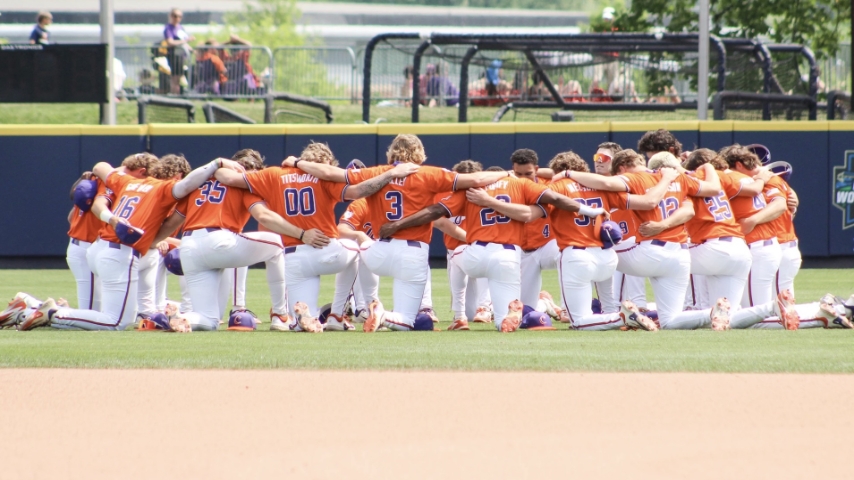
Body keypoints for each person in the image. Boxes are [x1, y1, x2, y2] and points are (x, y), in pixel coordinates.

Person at [289, 134, 509, 332]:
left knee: (357, 248)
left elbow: (329, 172)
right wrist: (507, 174)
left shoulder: (377, 172)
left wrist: (298, 162)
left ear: (391, 152)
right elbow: (477, 180)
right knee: (406, 321)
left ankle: (360, 307)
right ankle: (382, 314)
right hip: (413, 253)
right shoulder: (429, 173)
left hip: (379, 251)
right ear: (420, 153)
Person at [20, 154, 247, 331]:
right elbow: (187, 185)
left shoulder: (128, 180)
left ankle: (29, 306)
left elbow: (100, 166)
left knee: (115, 312)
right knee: (116, 322)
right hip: (119, 253)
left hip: (99, 249)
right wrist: (216, 163)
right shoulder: (163, 188)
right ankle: (53, 313)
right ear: (175, 176)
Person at [379, 160, 608, 332]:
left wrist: (398, 224)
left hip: (475, 255)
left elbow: (434, 212)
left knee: (455, 253)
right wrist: (590, 210)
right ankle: (510, 314)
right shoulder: (521, 185)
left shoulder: (471, 190)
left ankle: (459, 317)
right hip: (509, 257)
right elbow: (557, 200)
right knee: (502, 322)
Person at [219, 142, 421, 331]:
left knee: (301, 321)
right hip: (327, 250)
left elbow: (226, 178)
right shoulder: (324, 178)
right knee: (360, 247)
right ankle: (342, 313)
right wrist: (390, 175)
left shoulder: (273, 174)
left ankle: (304, 318)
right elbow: (359, 190)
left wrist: (218, 164)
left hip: (294, 258)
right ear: (326, 163)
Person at [163, 8, 194, 94]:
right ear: (171, 16)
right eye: (175, 16)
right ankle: (174, 95)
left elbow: (183, 41)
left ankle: (177, 94)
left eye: (179, 16)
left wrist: (190, 49)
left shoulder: (181, 28)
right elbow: (170, 42)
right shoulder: (168, 28)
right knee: (175, 77)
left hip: (181, 55)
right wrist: (187, 40)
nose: (177, 18)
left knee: (180, 76)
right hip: (173, 55)